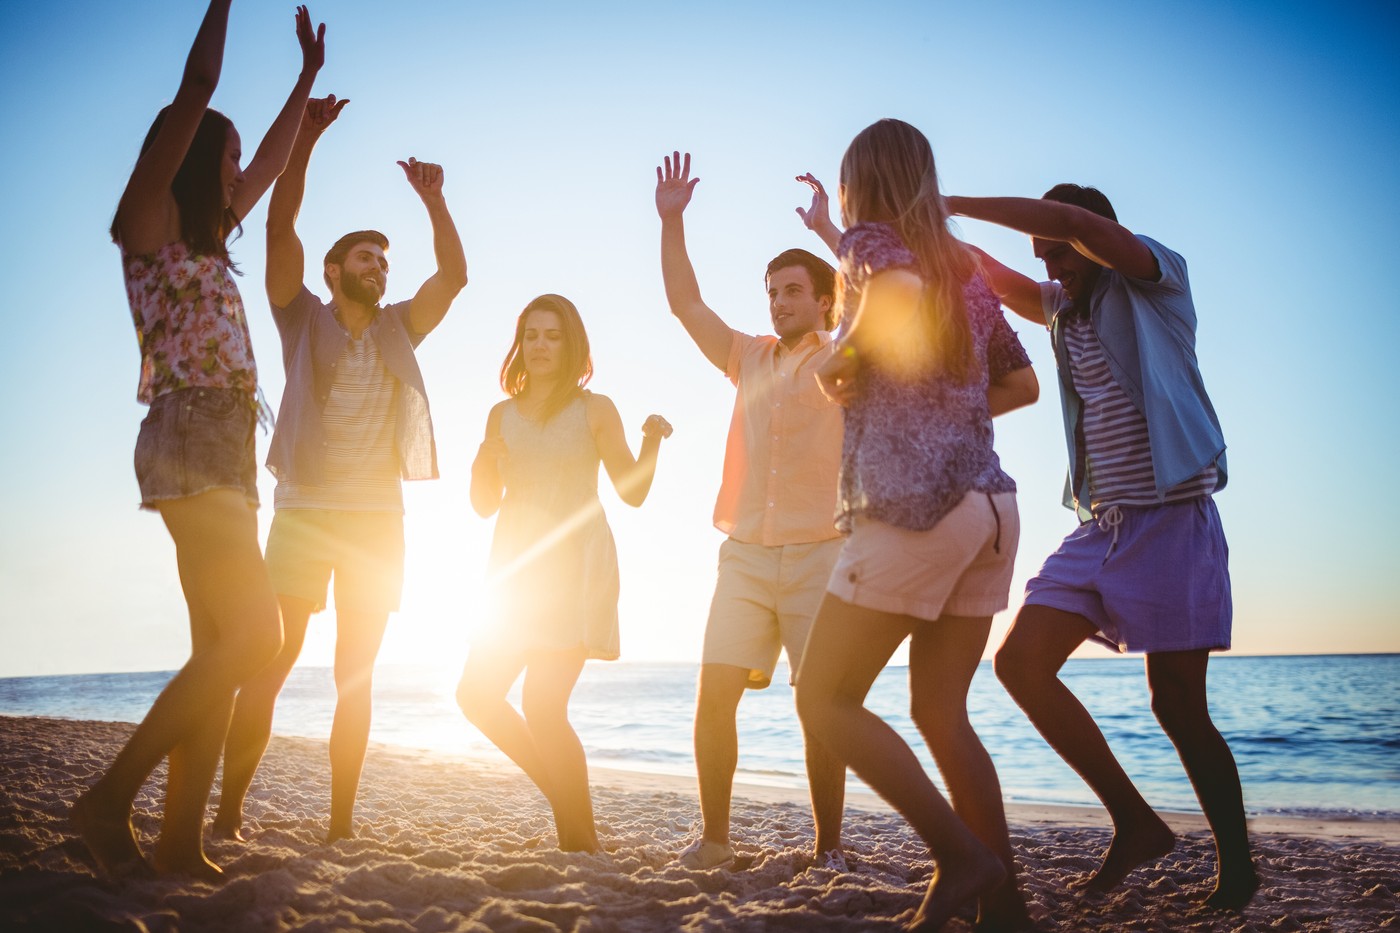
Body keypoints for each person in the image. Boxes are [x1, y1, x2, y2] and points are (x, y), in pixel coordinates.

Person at [945, 184, 1258, 909]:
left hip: (1174, 519)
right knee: (1019, 662)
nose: (1054, 265)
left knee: (1177, 705)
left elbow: (1071, 223)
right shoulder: (1061, 309)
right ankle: (1135, 820)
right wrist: (924, 225)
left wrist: (956, 197)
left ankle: (1237, 865)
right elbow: (991, 271)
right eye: (1045, 257)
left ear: (1094, 236)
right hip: (1102, 527)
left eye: (1061, 251)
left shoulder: (1155, 278)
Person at [71, 1, 325, 881]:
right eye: (225, 157)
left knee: (218, 646)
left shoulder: (214, 242)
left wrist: (305, 81)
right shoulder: (148, 227)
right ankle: (108, 798)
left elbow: (270, 164)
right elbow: (198, 88)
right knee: (257, 636)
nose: (236, 173)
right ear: (185, 162)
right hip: (187, 435)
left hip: (223, 449)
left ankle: (180, 839)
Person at [793, 119, 1038, 932]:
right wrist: (949, 409)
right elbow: (1022, 383)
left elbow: (889, 298)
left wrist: (841, 360)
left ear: (862, 182)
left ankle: (961, 855)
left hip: (914, 510)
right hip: (991, 508)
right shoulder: (963, 269)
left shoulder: (874, 243)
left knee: (823, 696)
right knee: (941, 713)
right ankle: (1005, 913)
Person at [211, 94, 469, 844]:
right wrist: (310, 140)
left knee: (353, 675)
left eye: (385, 261)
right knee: (272, 659)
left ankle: (342, 824)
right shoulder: (301, 315)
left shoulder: (399, 325)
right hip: (302, 511)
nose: (380, 268)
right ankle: (227, 812)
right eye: (366, 257)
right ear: (334, 270)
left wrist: (436, 199)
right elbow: (280, 226)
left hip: (377, 521)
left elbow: (453, 276)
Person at [654, 152, 849, 871]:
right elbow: (686, 304)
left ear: (826, 299)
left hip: (820, 553)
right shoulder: (749, 357)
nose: (778, 303)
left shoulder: (844, 356)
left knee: (821, 707)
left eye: (792, 291)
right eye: (772, 292)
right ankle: (714, 839)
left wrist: (830, 229)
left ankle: (829, 847)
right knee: (714, 697)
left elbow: (874, 297)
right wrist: (672, 221)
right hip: (743, 553)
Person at [458, 294, 671, 853]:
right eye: (531, 335)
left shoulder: (595, 408)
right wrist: (482, 462)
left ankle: (579, 839)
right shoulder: (499, 414)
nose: (541, 345)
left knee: (544, 709)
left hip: (575, 568)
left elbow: (633, 491)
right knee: (475, 694)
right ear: (519, 345)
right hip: (514, 570)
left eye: (552, 335)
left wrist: (651, 441)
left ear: (571, 344)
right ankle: (566, 800)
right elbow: (484, 503)